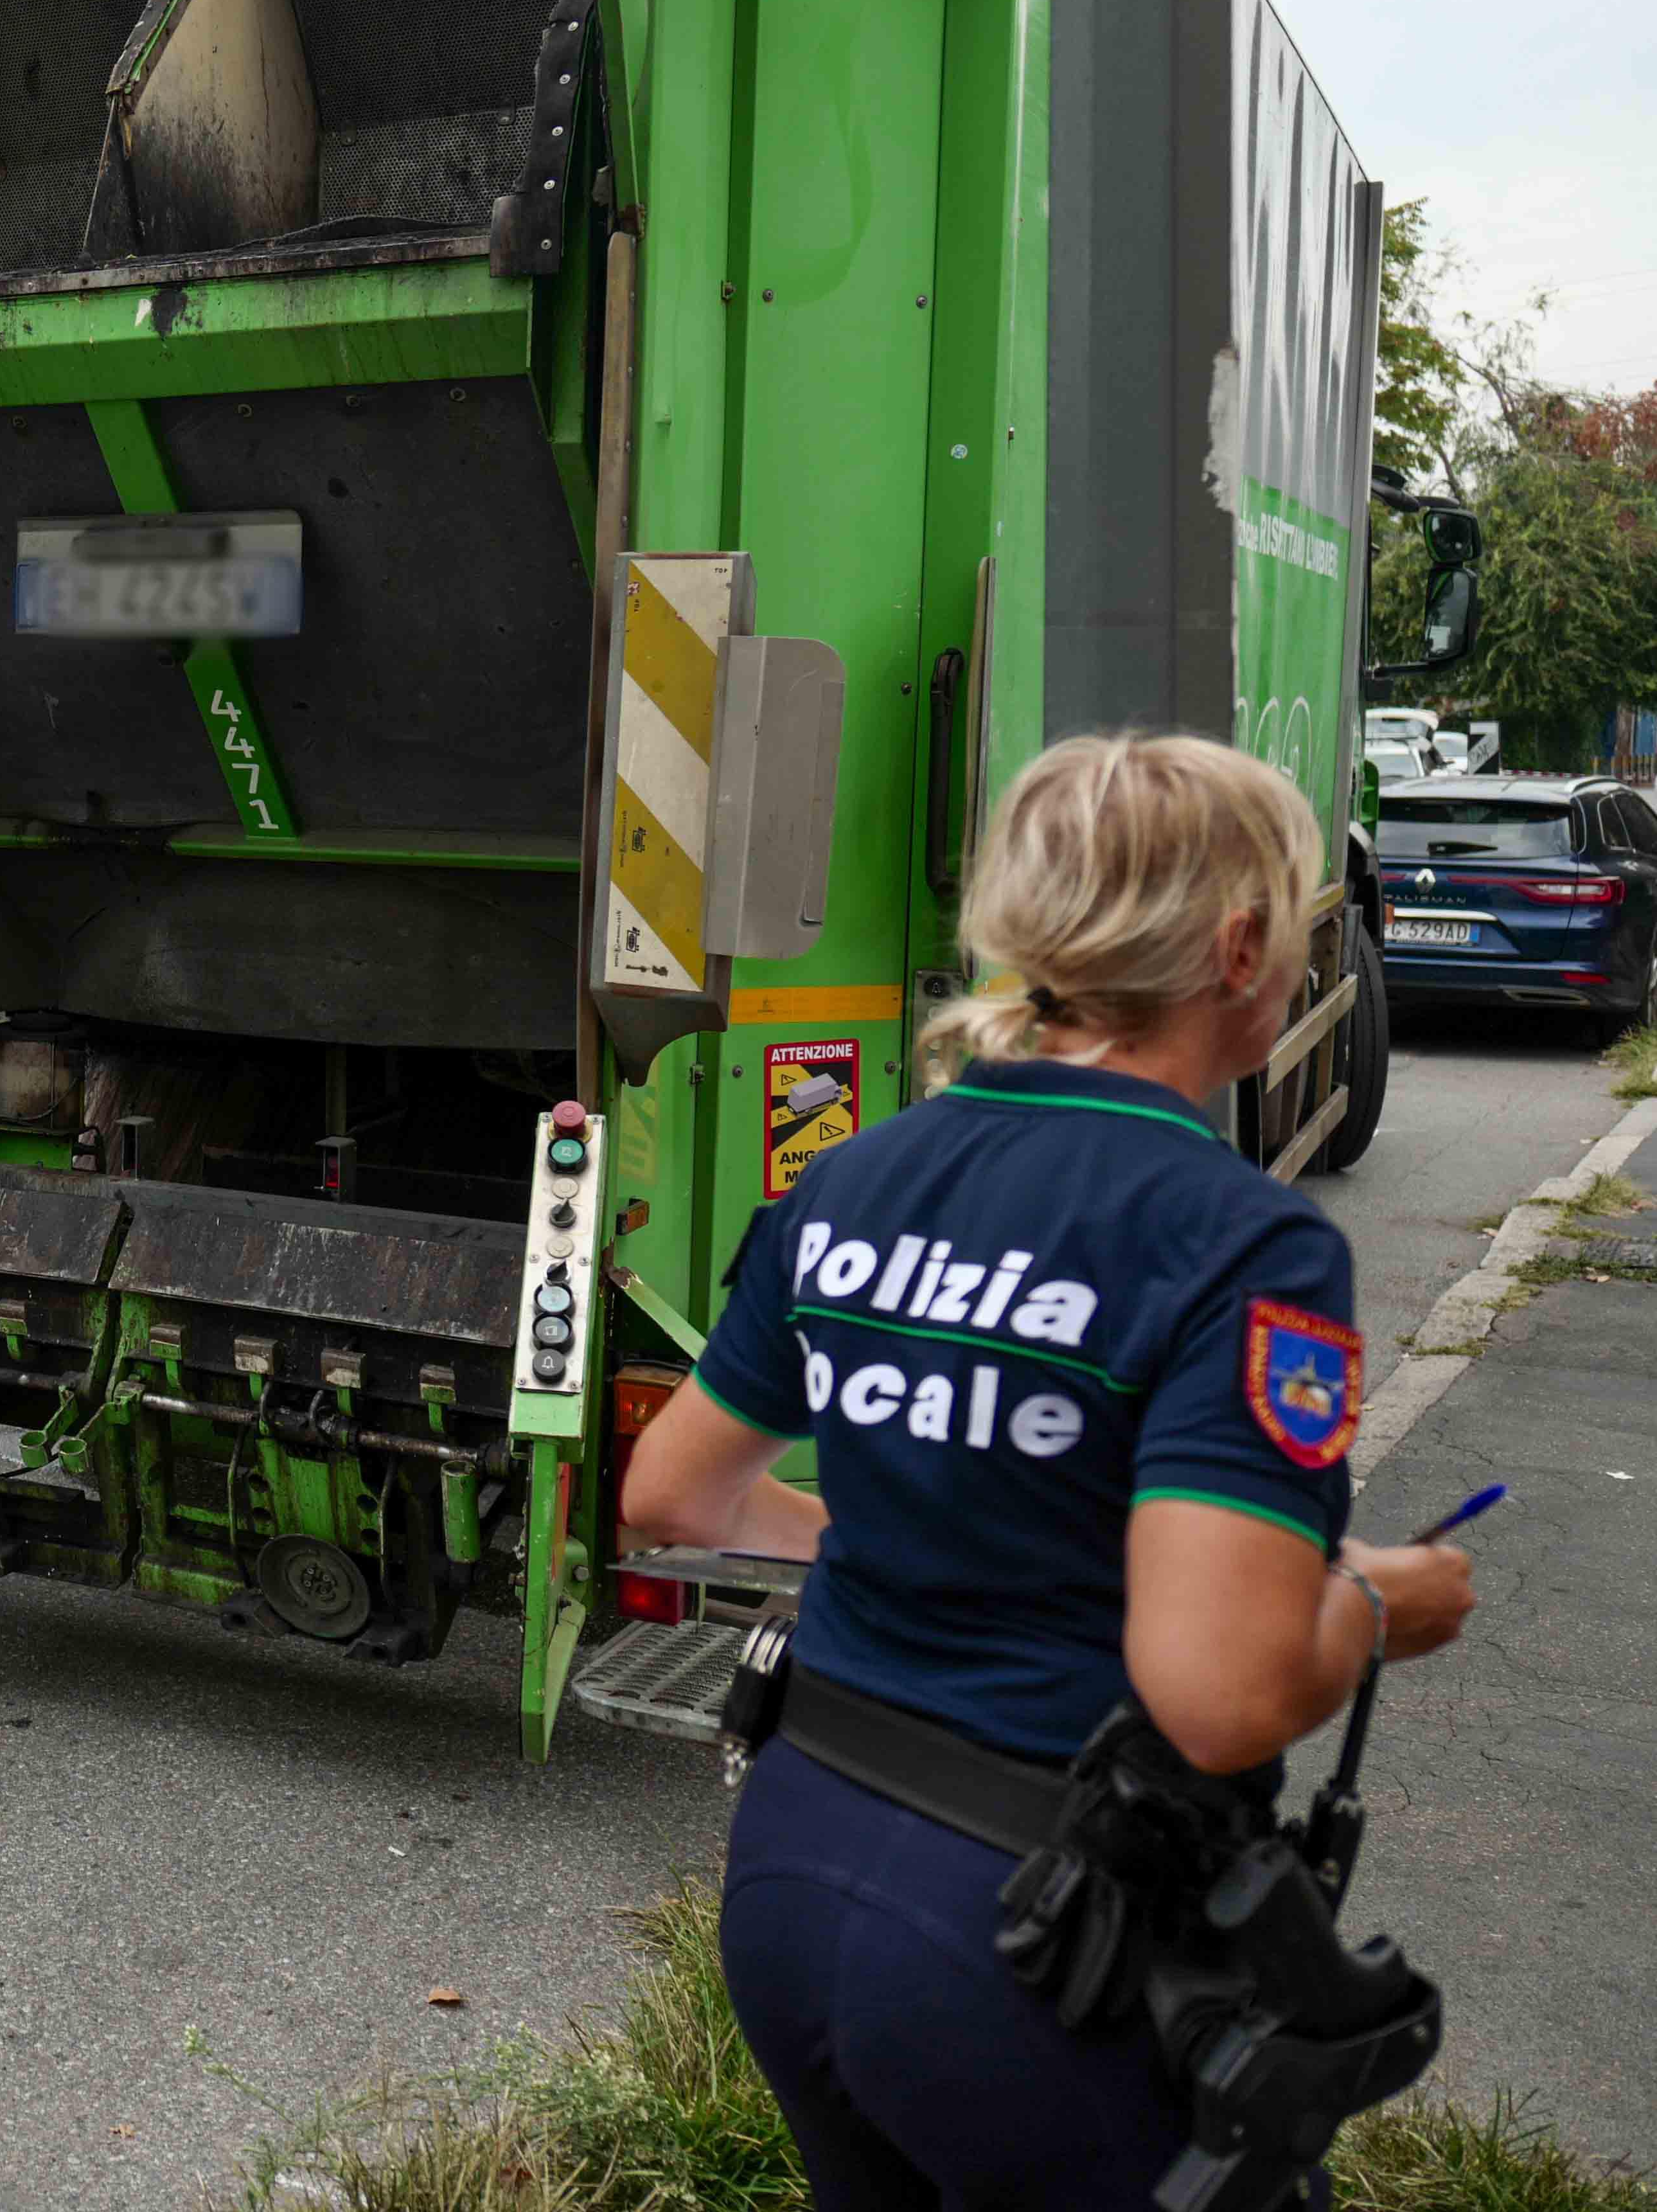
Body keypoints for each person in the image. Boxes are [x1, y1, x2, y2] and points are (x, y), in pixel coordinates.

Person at [620, 731, 1478, 2212]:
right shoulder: (1246, 1243)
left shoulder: (857, 1174)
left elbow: (675, 1498)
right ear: (1240, 946)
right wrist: (1362, 1604)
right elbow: (1219, 1693)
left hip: (794, 1865)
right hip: (1036, 1939)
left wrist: (909, 1525)